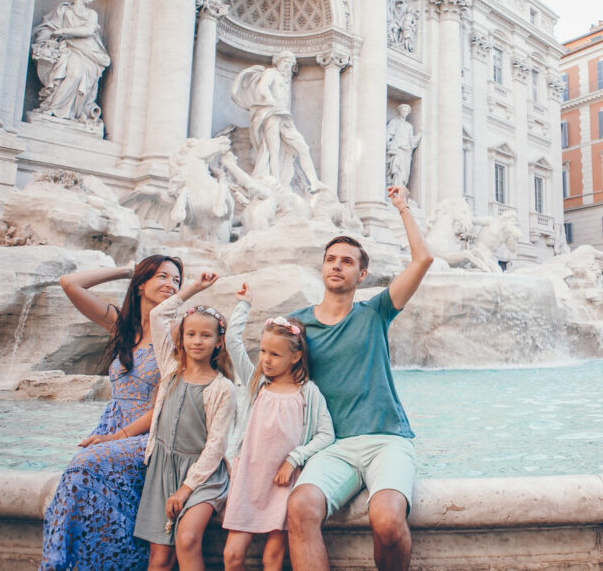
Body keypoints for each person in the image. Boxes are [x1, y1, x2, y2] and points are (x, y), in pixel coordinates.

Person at [286, 185, 433, 571]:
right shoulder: (297, 325)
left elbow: (423, 259)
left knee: (386, 521)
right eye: (331, 259)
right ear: (322, 267)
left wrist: (402, 208)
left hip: (386, 439)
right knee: (300, 509)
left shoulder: (375, 311)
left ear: (361, 273)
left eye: (347, 261)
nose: (336, 265)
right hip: (332, 446)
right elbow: (273, 386)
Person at [41, 254, 183, 571]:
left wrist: (115, 437)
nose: (170, 284)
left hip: (146, 436)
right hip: (112, 430)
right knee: (81, 469)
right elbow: (69, 283)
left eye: (176, 280)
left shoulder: (174, 337)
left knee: (84, 463)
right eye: (162, 276)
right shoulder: (121, 326)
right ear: (141, 284)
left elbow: (163, 407)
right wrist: (124, 271)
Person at [222, 283, 334, 571]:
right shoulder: (256, 383)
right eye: (263, 352)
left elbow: (326, 434)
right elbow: (232, 342)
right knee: (232, 556)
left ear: (295, 356)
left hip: (283, 483)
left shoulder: (307, 392)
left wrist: (293, 460)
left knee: (272, 559)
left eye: (274, 354)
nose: (266, 360)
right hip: (248, 479)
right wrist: (244, 304)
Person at [133, 272, 236, 571]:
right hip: (162, 471)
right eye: (191, 334)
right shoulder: (171, 369)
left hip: (203, 477)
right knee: (160, 559)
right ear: (181, 337)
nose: (197, 341)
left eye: (206, 335)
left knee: (187, 538)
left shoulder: (222, 388)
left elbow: (216, 447)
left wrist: (185, 489)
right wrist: (193, 289)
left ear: (219, 342)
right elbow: (157, 314)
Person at [230, 51, 326, 193]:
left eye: (290, 63)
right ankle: (277, 182)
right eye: (286, 62)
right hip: (271, 114)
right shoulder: (271, 72)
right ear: (278, 61)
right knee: (273, 150)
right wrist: (271, 100)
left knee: (303, 147)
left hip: (284, 117)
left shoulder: (285, 78)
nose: (288, 65)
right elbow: (262, 87)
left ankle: (314, 181)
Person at [31, 0, 112, 124]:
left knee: (77, 75)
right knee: (72, 74)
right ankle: (53, 108)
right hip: (67, 47)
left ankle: (68, 112)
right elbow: (49, 27)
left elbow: (88, 31)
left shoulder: (91, 14)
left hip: (86, 49)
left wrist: (63, 32)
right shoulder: (63, 10)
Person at [385, 104, 422, 189]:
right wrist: (388, 144)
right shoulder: (394, 122)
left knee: (405, 174)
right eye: (403, 111)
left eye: (406, 111)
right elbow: (388, 134)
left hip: (407, 152)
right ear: (400, 111)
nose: (404, 113)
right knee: (397, 171)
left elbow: (411, 141)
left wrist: (420, 134)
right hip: (398, 150)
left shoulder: (409, 126)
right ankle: (395, 191)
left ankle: (400, 190)